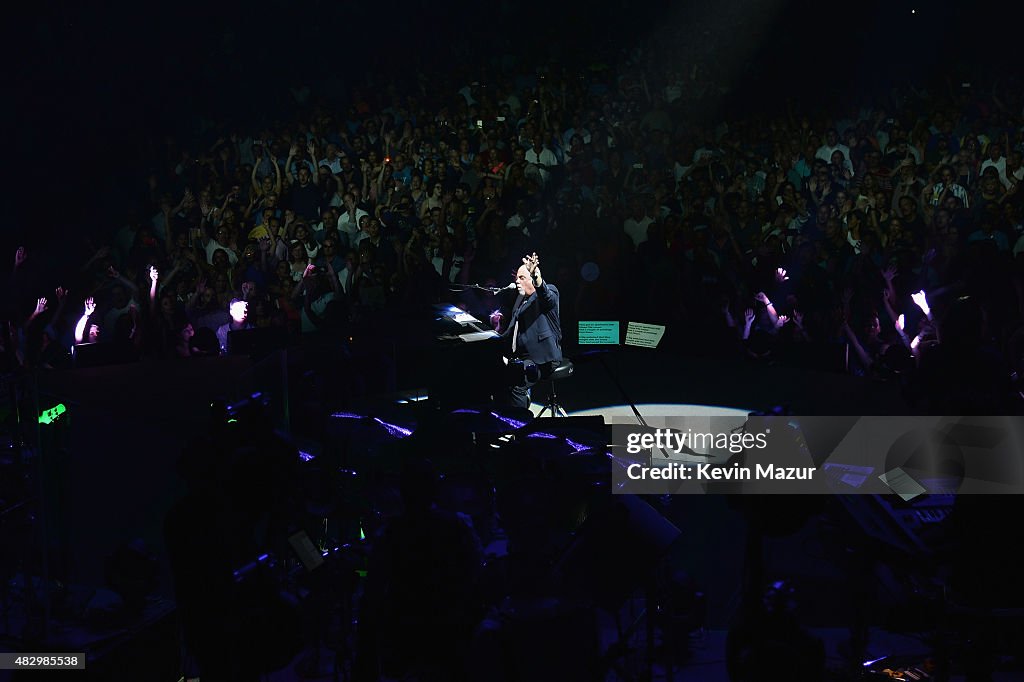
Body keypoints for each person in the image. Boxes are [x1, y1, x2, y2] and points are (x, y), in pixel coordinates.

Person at [501, 252, 562, 409]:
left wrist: (537, 278)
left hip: (542, 357)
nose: (517, 282)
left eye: (522, 278)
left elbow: (546, 296)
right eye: (516, 278)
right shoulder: (520, 299)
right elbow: (511, 330)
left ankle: (520, 427)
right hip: (522, 355)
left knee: (518, 382)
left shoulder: (548, 292)